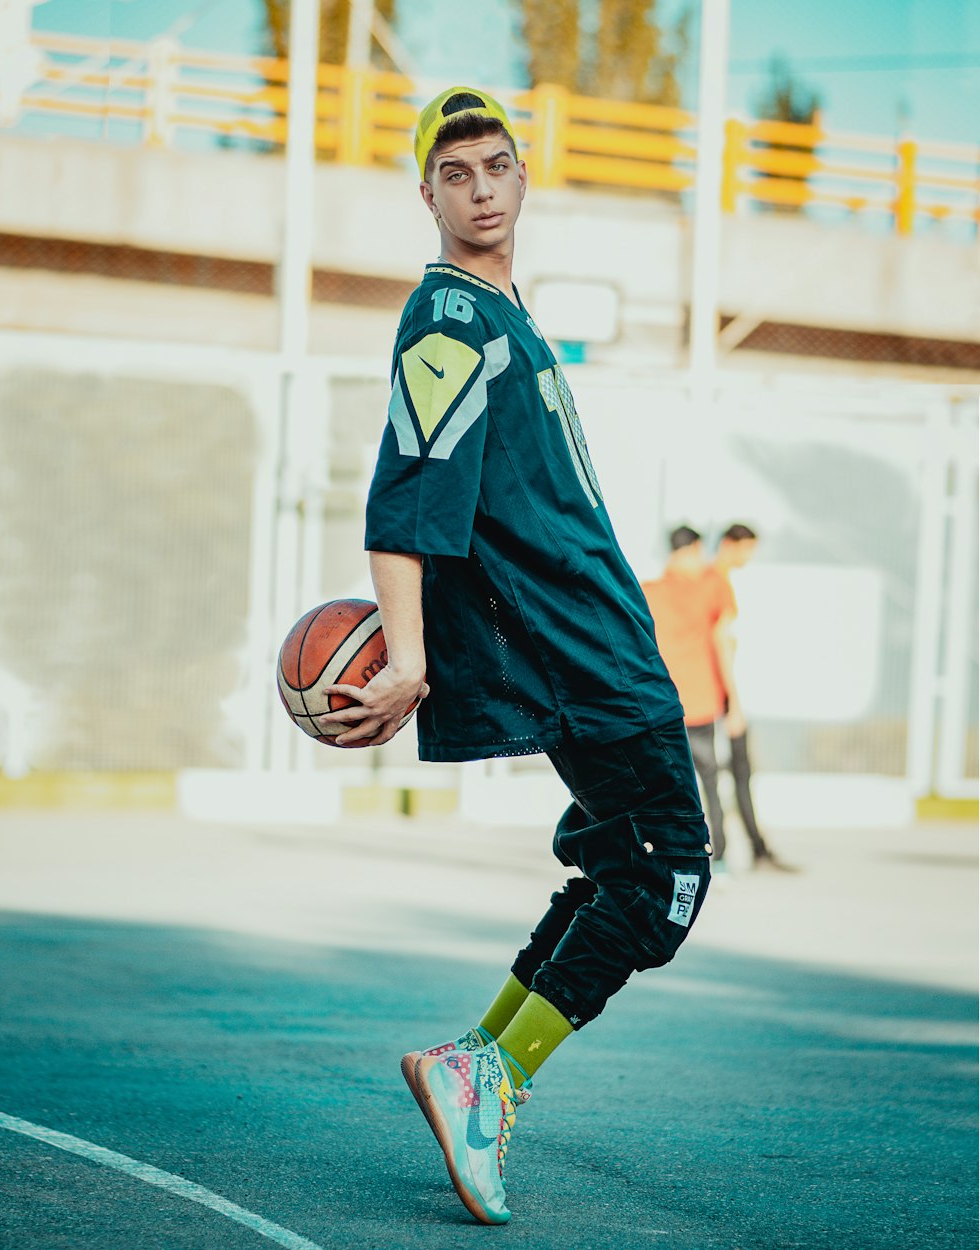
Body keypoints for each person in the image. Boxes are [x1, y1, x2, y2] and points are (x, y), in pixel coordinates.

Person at [318, 86, 712, 1226]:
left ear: (521, 178)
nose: (481, 190)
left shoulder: (505, 308)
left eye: (497, 168)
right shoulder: (449, 319)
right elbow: (405, 505)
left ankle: (476, 1057)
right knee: (664, 879)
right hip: (585, 654)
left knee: (613, 873)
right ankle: (494, 1071)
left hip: (602, 636)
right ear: (426, 192)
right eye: (457, 175)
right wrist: (408, 657)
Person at [641, 526, 791, 876]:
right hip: (702, 701)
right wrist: (734, 703)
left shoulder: (649, 591)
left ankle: (665, 855)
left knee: (666, 782)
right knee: (710, 782)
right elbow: (722, 643)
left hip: (663, 704)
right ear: (694, 549)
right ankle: (717, 854)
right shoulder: (710, 588)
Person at [712, 523, 794, 872]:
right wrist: (734, 703)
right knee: (732, 771)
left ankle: (753, 847)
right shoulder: (716, 583)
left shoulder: (713, 580)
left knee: (736, 771)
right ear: (731, 545)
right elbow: (720, 645)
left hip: (716, 694)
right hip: (718, 696)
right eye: (747, 550)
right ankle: (736, 851)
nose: (749, 558)